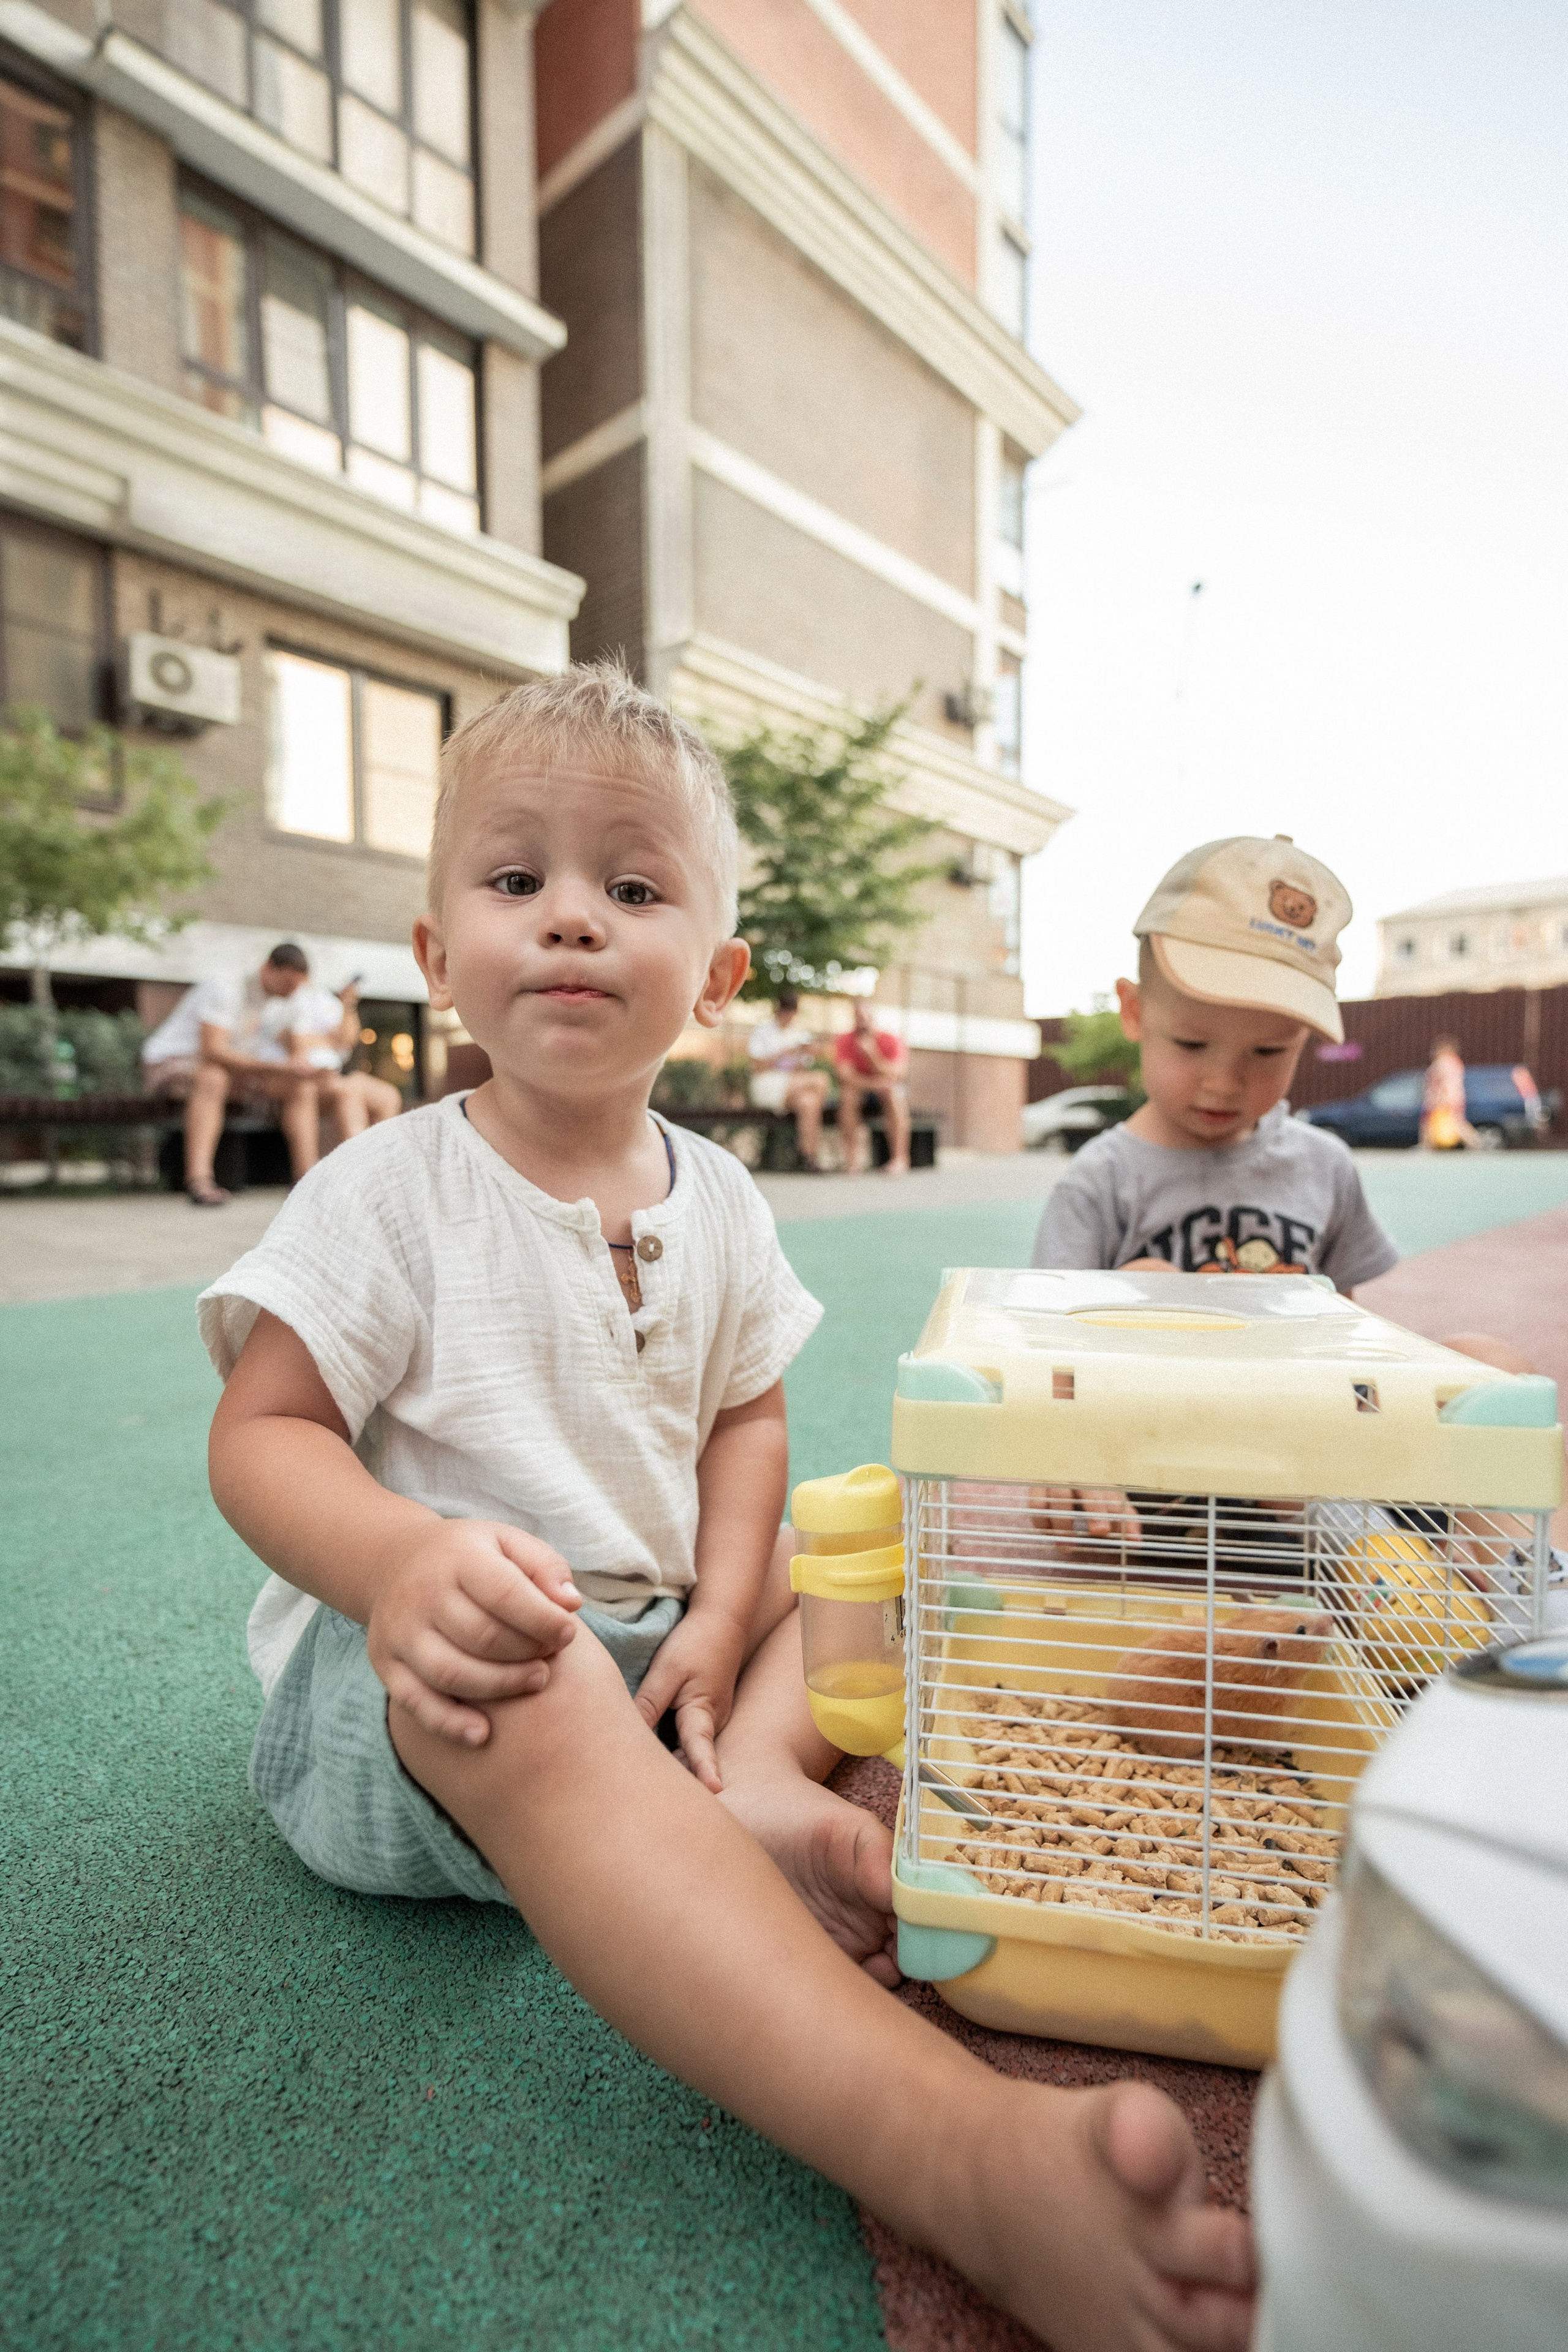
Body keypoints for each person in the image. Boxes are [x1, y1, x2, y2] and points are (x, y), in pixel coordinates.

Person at [199, 663, 1254, 2352]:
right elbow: (260, 1434)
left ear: (717, 978)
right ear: (431, 953)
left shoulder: (726, 1197)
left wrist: (714, 1611)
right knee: (538, 1666)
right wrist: (400, 1564)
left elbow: (747, 1422)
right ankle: (958, 2152)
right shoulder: (389, 1190)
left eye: (630, 888)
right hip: (433, 1695)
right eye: (514, 878)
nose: (567, 922)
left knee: (877, 1523)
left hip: (656, 1646)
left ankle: (753, 1783)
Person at [1033, 836, 1397, 1289]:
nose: (1225, 1084)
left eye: (1268, 1051)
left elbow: (1342, 1331)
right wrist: (1116, 1304)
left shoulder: (1325, 1167)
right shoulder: (1100, 1184)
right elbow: (1050, 1343)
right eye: (1191, 1043)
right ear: (1135, 1012)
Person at [142, 943, 326, 1207]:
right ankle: (199, 1180)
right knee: (213, 1077)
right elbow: (213, 1051)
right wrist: (280, 1068)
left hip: (233, 1071)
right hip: (173, 1061)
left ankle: (306, 1180)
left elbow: (296, 1052)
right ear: (267, 968)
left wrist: (305, 1068)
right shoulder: (226, 986)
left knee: (300, 1088)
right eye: (287, 982)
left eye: (297, 985)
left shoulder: (290, 1000)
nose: (292, 990)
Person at [266, 976, 405, 1144]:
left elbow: (348, 1040)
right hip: (307, 1077)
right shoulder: (283, 1005)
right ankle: (359, 1159)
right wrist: (331, 1041)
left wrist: (348, 1006)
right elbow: (298, 1043)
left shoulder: (325, 1002)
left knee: (389, 1095)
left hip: (338, 1074)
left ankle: (384, 1157)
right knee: (348, 1093)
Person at [745, 986, 830, 1169]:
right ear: (780, 1010)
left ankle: (808, 1158)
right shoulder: (763, 1030)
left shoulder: (799, 1032)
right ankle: (806, 1153)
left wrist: (805, 1053)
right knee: (821, 1080)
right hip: (767, 1085)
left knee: (810, 1102)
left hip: (791, 1085)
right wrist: (784, 1053)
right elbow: (756, 1066)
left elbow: (800, 1068)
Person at [835, 998, 911, 1175]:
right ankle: (852, 1161)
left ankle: (900, 1159)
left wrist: (872, 1056)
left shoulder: (891, 1040)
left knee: (894, 1093)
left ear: (873, 1016)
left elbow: (898, 1074)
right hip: (862, 1089)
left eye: (865, 1017)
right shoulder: (845, 1040)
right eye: (858, 1017)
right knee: (847, 1095)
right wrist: (874, 1083)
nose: (862, 1021)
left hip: (886, 1090)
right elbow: (845, 1076)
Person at [1420, 1034, 1476, 1151]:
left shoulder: (1444, 1062)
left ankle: (1474, 1142)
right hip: (1455, 1096)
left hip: (1443, 1098)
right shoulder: (1456, 1062)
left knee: (1436, 1121)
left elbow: (1441, 1082)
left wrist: (1439, 1097)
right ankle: (1427, 1144)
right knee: (1454, 1121)